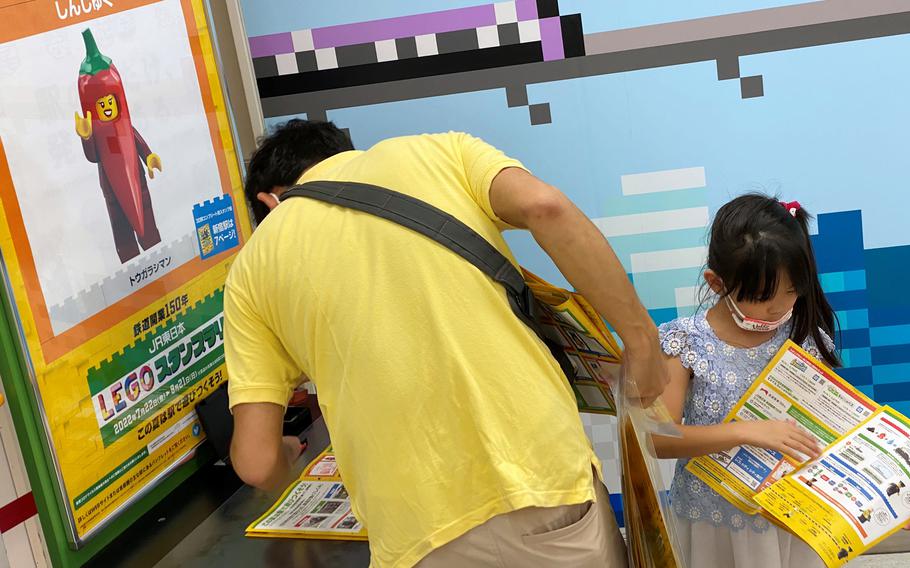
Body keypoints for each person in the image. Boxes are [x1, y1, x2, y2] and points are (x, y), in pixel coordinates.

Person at [224, 120, 668, 568]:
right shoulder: (439, 152)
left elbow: (257, 463)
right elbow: (544, 205)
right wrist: (641, 340)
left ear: (270, 202)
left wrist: (287, 455)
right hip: (538, 482)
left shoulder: (249, 271)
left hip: (416, 536)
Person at [652, 194, 837, 568]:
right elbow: (658, 438)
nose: (780, 307)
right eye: (763, 296)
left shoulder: (805, 337)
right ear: (717, 283)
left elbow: (826, 433)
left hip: (790, 517)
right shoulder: (685, 341)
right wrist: (748, 431)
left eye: (792, 291)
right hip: (712, 520)